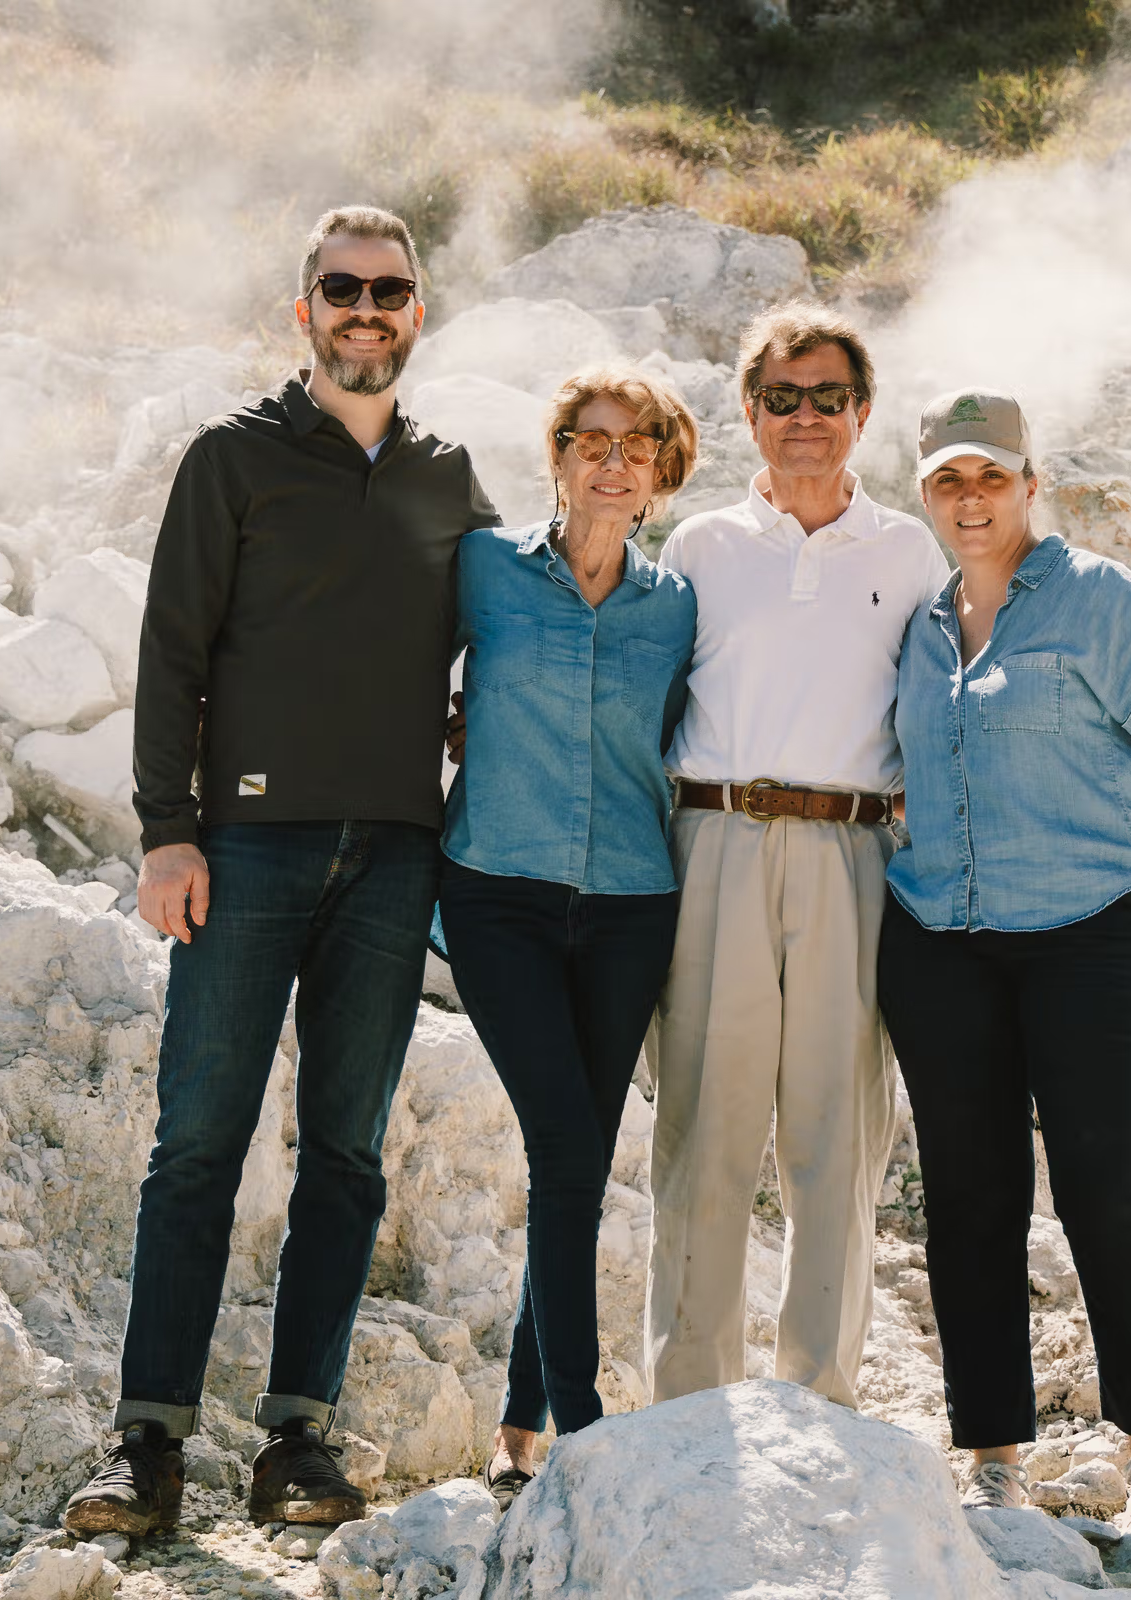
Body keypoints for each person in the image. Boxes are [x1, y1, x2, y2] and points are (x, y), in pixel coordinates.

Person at [61, 206, 499, 1539]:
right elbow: (171, 654)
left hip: (393, 861)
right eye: (341, 288)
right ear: (302, 308)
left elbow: (506, 641)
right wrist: (165, 831)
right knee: (198, 1142)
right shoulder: (232, 462)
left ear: (419, 312)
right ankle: (147, 1446)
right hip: (244, 851)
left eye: (390, 290)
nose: (366, 309)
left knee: (348, 1158)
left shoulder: (447, 476)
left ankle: (298, 1441)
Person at [877, 388, 1131, 1540]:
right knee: (969, 1200)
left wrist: (1114, 871)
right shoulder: (922, 629)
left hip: (1095, 935)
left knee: (1105, 1183)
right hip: (945, 945)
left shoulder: (1097, 600)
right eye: (947, 481)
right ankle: (991, 1456)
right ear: (924, 494)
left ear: (1033, 485)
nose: (971, 499)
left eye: (991, 477)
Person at [645, 303, 952, 1411]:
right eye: (783, 398)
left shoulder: (911, 550)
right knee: (705, 1130)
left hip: (854, 852)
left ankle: (820, 1396)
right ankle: (690, 1400)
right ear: (750, 411)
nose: (807, 418)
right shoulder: (699, 546)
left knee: (837, 1137)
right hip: (715, 839)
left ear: (863, 414)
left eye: (829, 397)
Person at [436, 368, 700, 1507]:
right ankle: (583, 1421)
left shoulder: (679, 606)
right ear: (556, 457)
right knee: (565, 1142)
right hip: (496, 891)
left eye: (637, 445)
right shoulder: (485, 570)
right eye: (590, 440)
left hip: (634, 902)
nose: (612, 459)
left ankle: (518, 1428)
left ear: (662, 474)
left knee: (579, 1161)